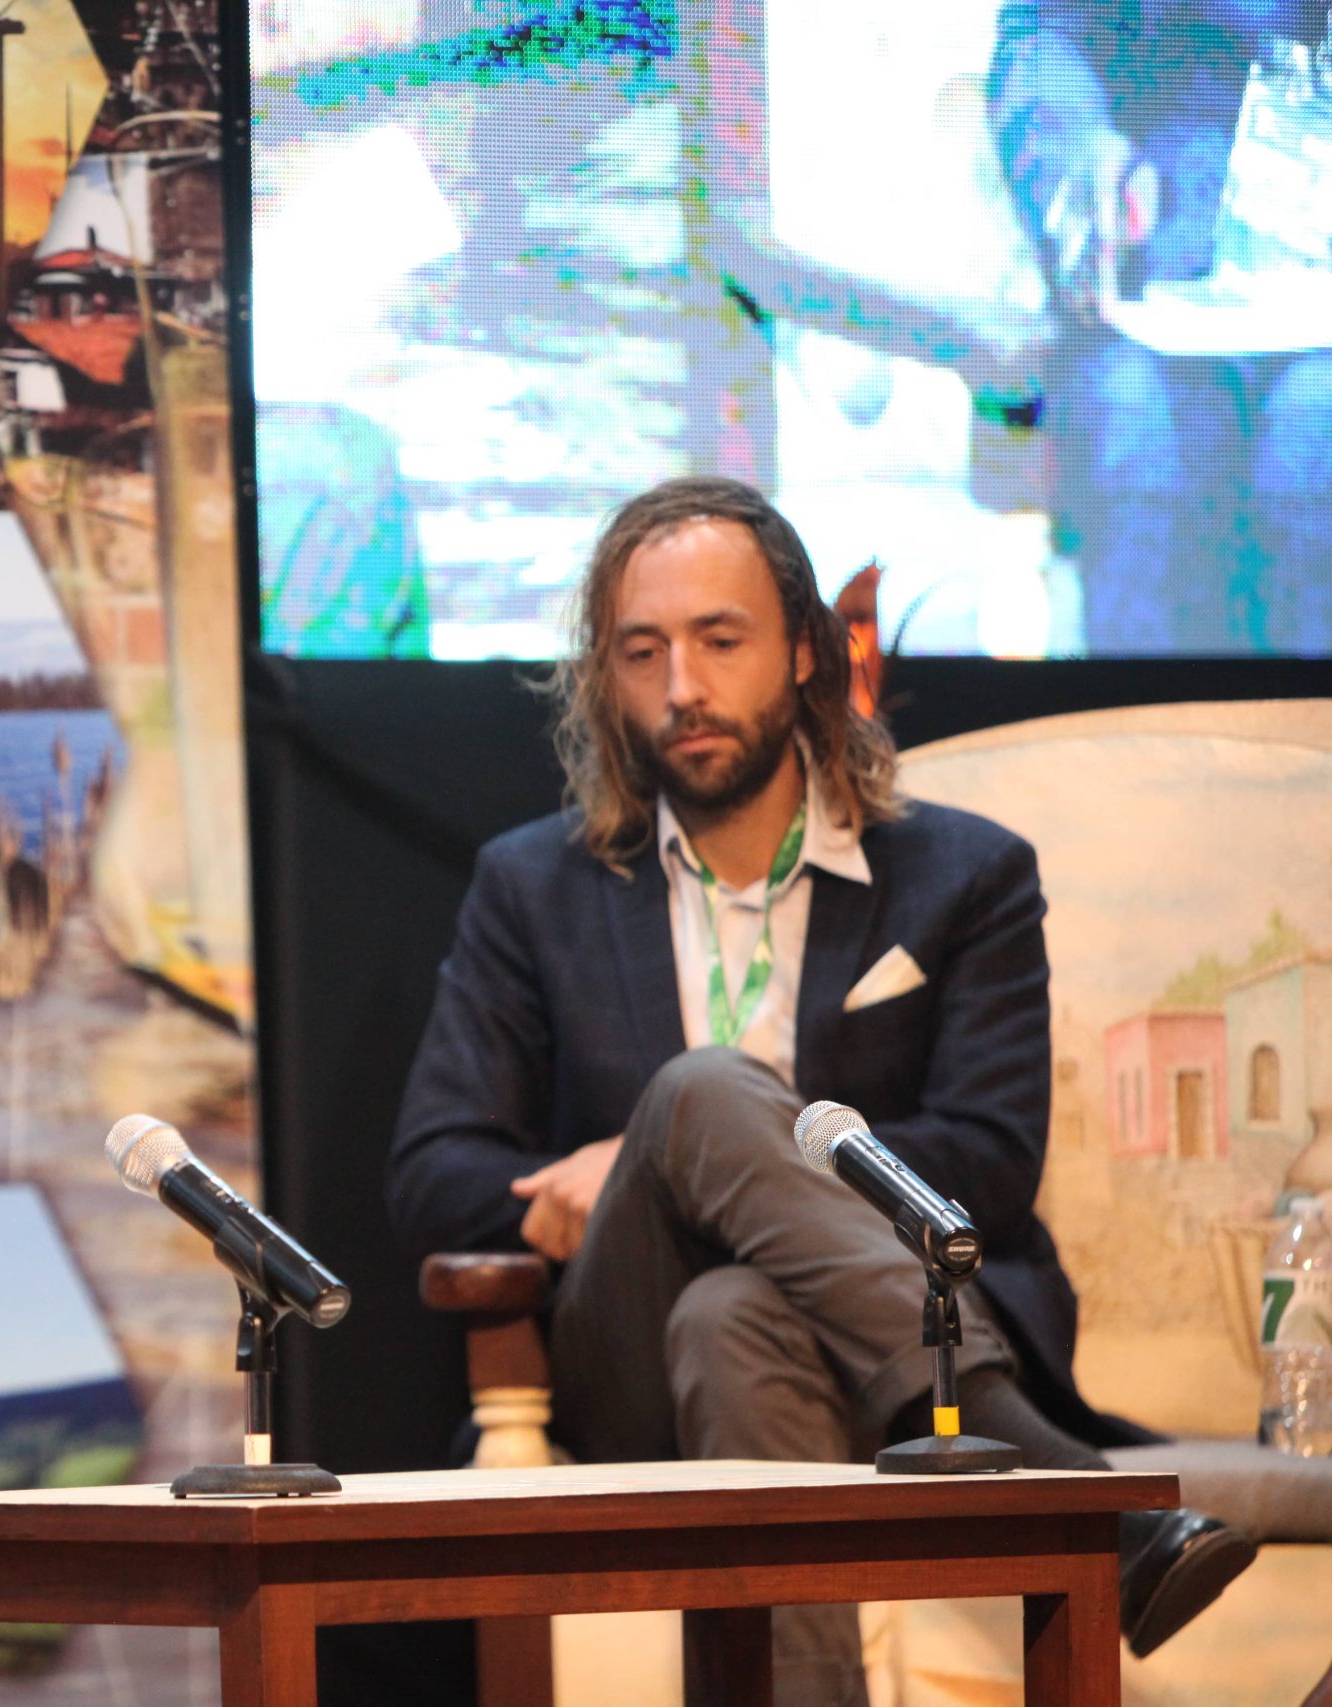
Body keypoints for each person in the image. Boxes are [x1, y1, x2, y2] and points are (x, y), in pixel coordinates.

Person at [388, 476, 1251, 1706]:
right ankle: (1056, 1483)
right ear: (606, 678)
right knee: (693, 1100)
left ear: (801, 650)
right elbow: (432, 1175)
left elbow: (991, 1157)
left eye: (718, 640)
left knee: (733, 1313)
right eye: (642, 651)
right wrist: (624, 1166)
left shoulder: (963, 875)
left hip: (860, 1357)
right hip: (632, 1365)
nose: (681, 686)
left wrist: (725, 1157)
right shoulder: (534, 890)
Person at [989, 0, 1332, 653]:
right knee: (1134, 425)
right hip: (1143, 260)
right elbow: (1043, 37)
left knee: (1315, 432)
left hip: (1315, 273)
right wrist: (1079, 147)